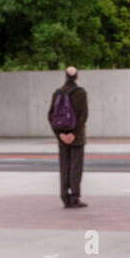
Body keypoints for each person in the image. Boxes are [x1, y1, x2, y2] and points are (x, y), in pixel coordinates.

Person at [47, 66, 88, 208]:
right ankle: (75, 197)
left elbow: (50, 116)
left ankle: (65, 197)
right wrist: (74, 134)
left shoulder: (57, 93)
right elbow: (83, 116)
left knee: (64, 167)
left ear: (65, 77)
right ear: (77, 77)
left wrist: (60, 135)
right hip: (76, 138)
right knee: (76, 168)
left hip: (62, 138)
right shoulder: (81, 93)